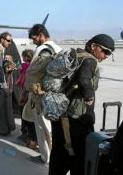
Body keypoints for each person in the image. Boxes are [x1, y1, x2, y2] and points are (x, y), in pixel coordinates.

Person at [49, 34, 115, 175]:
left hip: (61, 112)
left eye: (109, 53)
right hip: (75, 118)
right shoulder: (90, 60)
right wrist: (89, 96)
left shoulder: (77, 55)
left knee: (59, 153)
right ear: (93, 46)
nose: (106, 56)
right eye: (105, 51)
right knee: (78, 156)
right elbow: (84, 79)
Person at [27, 24, 62, 165]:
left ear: (41, 35)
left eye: (34, 38)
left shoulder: (41, 49)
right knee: (52, 127)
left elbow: (32, 73)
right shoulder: (58, 48)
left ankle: (45, 157)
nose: (33, 42)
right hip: (55, 95)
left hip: (41, 95)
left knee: (43, 128)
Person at [16, 49, 37, 150]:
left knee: (24, 115)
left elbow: (17, 69)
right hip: (32, 93)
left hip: (25, 91)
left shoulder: (24, 65)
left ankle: (25, 134)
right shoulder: (34, 66)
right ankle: (30, 136)